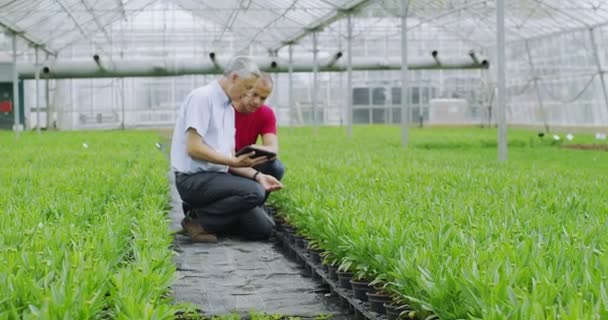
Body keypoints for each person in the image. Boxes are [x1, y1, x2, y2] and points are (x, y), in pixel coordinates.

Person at [171, 56, 283, 243]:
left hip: (216, 180)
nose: (248, 95)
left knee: (263, 229)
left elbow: (229, 156)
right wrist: (232, 162)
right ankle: (197, 222)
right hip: (192, 180)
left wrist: (259, 176)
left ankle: (207, 216)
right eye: (247, 88)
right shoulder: (202, 97)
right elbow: (193, 148)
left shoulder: (228, 109)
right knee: (254, 192)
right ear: (234, 78)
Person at [235, 73, 285, 185]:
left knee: (276, 168)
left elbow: (273, 149)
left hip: (246, 161)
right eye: (254, 94)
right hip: (223, 161)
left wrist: (256, 149)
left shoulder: (266, 113)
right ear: (245, 89)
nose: (257, 101)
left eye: (263, 98)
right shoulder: (227, 109)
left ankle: (258, 199)